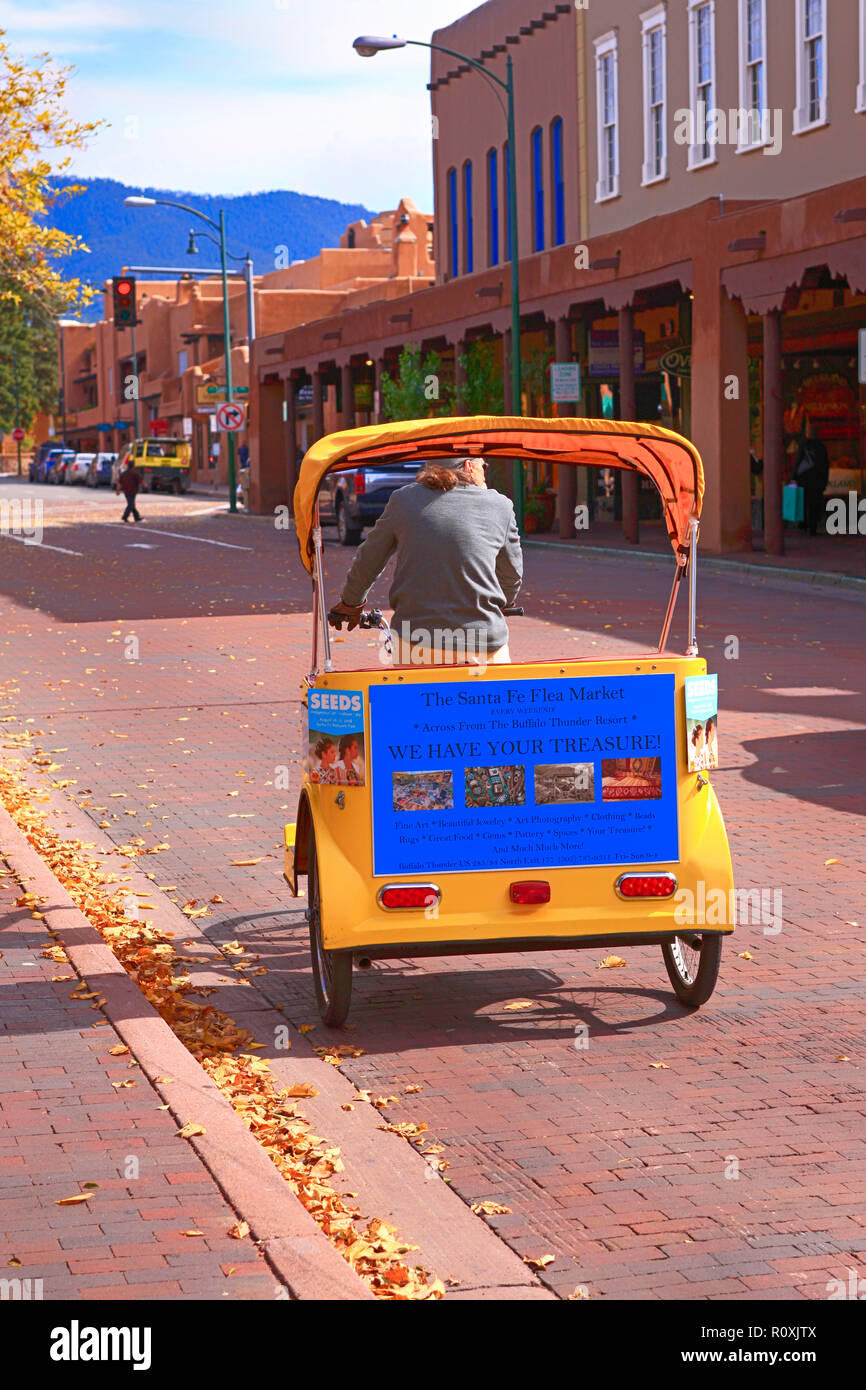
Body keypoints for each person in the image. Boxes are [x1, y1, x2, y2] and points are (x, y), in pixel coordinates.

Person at [329, 456, 523, 666]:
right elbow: (511, 575)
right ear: (469, 466)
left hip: (417, 644)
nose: (485, 473)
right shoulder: (501, 505)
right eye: (483, 466)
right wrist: (504, 603)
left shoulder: (403, 500)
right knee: (489, 697)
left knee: (414, 696)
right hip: (484, 643)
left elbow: (368, 559)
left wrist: (351, 602)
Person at [793, 420, 830, 537]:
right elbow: (825, 465)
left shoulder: (803, 445)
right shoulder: (821, 446)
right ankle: (813, 527)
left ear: (807, 433)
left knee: (803, 502)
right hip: (817, 480)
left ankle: (803, 525)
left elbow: (798, 461)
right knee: (815, 504)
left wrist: (793, 476)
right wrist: (824, 481)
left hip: (804, 479)